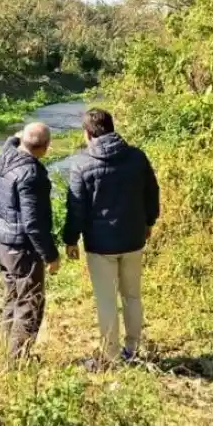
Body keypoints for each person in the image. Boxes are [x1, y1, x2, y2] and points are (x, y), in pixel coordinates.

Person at [63, 108, 160, 364]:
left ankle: (111, 355)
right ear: (112, 127)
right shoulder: (137, 157)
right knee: (132, 296)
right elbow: (152, 192)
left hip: (100, 244)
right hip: (133, 238)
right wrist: (149, 222)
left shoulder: (82, 164)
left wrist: (70, 239)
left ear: (87, 133)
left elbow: (76, 208)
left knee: (106, 300)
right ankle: (133, 349)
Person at [0, 122, 61, 361]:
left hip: (2, 244)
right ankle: (18, 360)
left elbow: (10, 142)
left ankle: (7, 351)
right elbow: (33, 223)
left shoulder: (5, 156)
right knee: (30, 303)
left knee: (12, 298)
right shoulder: (32, 175)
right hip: (23, 250)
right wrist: (50, 255)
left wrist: (17, 137)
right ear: (45, 148)